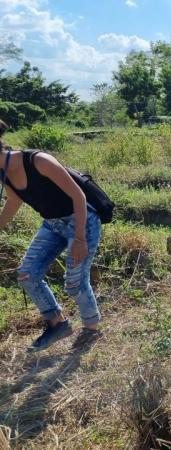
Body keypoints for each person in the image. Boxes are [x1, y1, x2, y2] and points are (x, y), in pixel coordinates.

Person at [0, 120, 104, 352]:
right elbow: (14, 201)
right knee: (28, 275)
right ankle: (57, 324)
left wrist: (79, 239)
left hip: (82, 221)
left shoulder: (38, 161)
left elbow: (79, 196)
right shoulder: (4, 172)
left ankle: (92, 330)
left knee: (75, 283)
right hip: (52, 224)